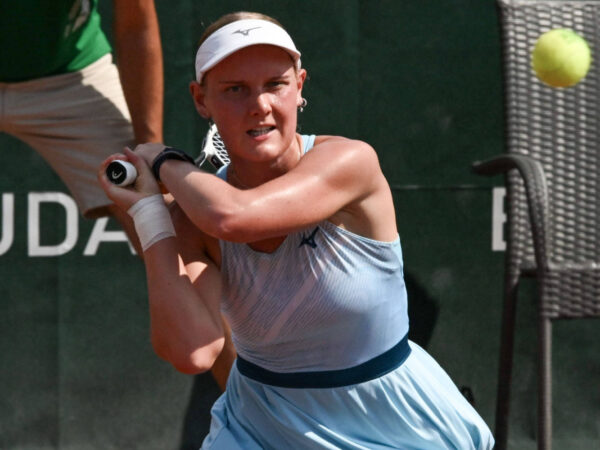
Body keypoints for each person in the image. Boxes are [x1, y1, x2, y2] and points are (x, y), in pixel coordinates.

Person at [98, 11, 495, 449]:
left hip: (391, 420)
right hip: (259, 426)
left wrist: (164, 160)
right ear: (200, 99)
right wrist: (152, 214)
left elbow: (233, 217)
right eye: (235, 89)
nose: (260, 105)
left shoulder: (350, 161)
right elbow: (192, 351)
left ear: (300, 86)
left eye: (275, 84)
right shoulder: (195, 212)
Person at [0, 0, 234, 391]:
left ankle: (265, 418)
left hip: (70, 77)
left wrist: (148, 153)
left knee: (172, 227)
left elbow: (135, 24)